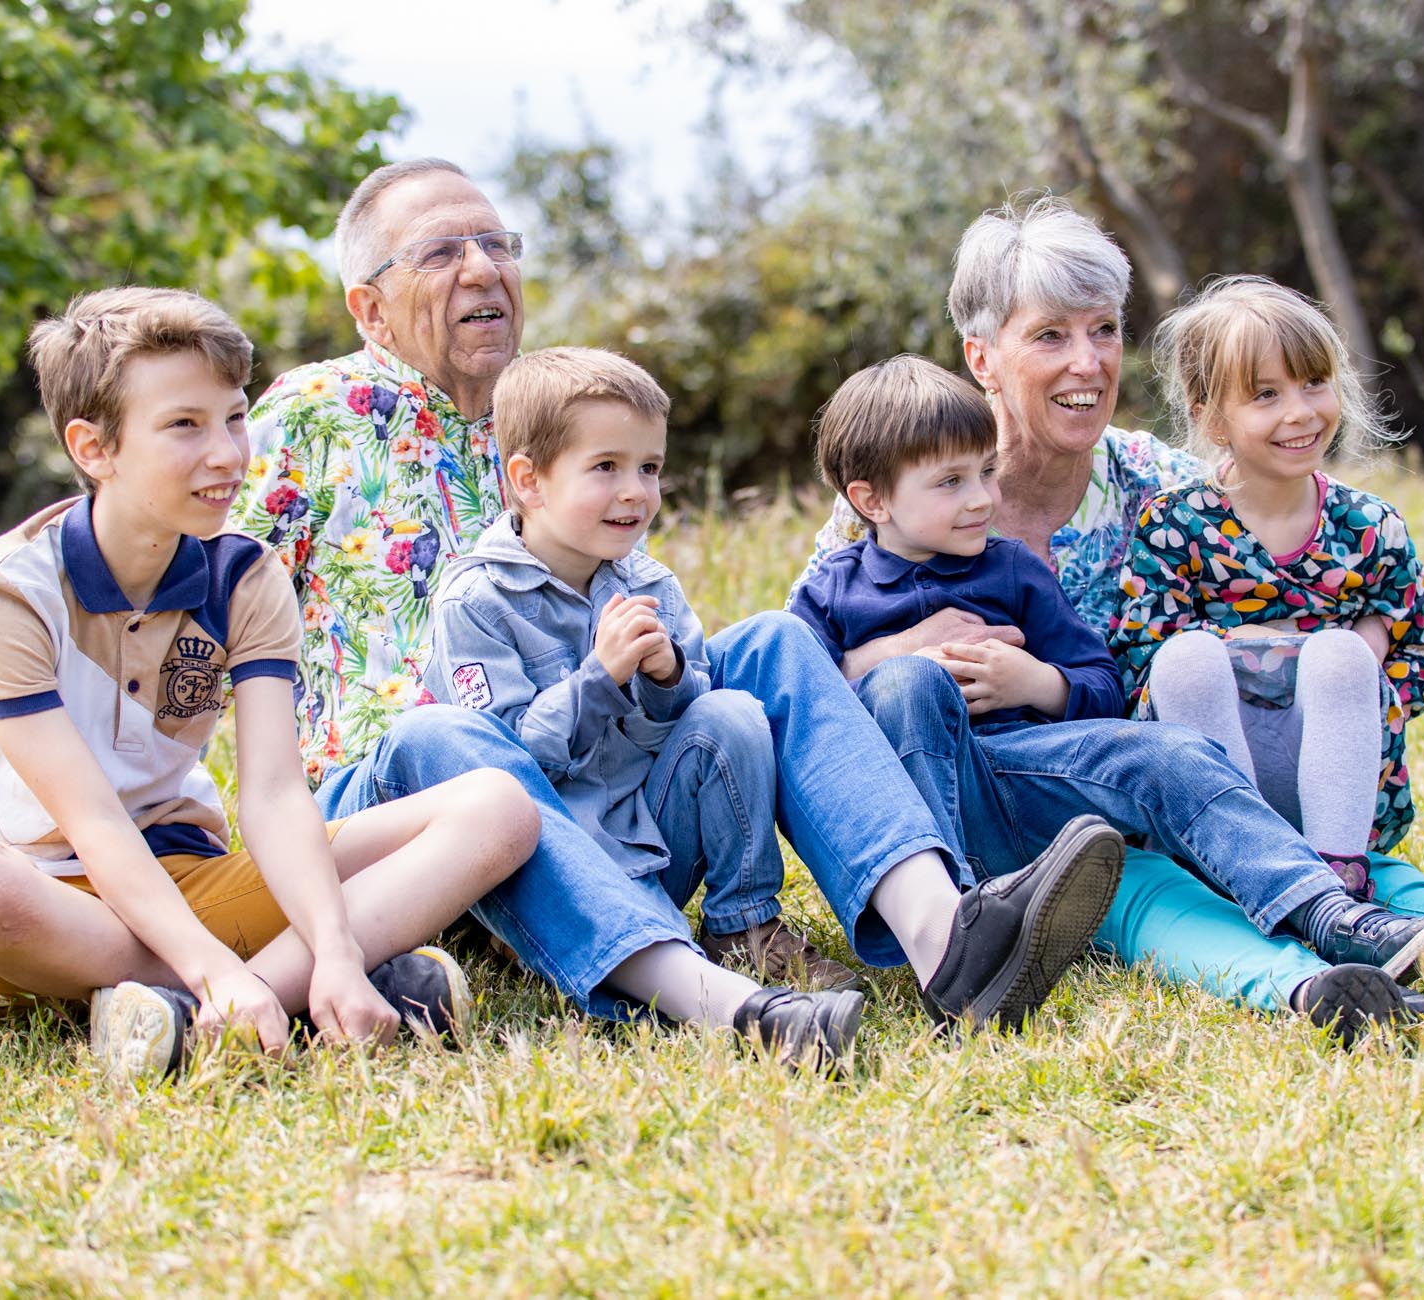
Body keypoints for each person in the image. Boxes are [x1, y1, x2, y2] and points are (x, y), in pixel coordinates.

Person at [804, 195, 1424, 1014]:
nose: (1088, 361)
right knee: (1174, 895)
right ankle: (1292, 982)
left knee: (1365, 883)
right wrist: (877, 661)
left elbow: (1298, 508)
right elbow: (801, 701)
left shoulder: (1165, 489)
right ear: (981, 356)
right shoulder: (890, 505)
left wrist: (1364, 632)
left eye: (1104, 329)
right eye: (1050, 335)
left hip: (1181, 805)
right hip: (1023, 835)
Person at [237, 159, 1122, 1036]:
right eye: (439, 252)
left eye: (497, 244)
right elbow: (187, 611)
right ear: (369, 307)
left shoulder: (565, 409)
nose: (483, 268)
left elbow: (654, 653)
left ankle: (947, 934)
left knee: (774, 642)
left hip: (596, 790)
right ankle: (689, 988)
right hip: (408, 807)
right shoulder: (313, 415)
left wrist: (658, 673)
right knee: (443, 731)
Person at [0, 287, 541, 1082]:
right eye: (184, 426)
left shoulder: (244, 575)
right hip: (46, 900)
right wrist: (216, 970)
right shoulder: (11, 593)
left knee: (499, 809)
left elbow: (274, 795)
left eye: (235, 418)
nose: (227, 454)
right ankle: (237, 993)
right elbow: (94, 822)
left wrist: (338, 952)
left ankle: (211, 1008)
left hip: (191, 875)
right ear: (93, 448)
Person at [789, 354, 1424, 1038]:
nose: (982, 500)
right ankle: (961, 933)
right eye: (951, 483)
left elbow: (1104, 685)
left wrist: (1039, 684)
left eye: (986, 472)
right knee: (910, 683)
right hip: (922, 821)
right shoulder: (832, 594)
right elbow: (799, 706)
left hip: (1025, 777)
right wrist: (884, 659)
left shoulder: (1012, 568)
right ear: (871, 500)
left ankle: (1325, 908)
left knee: (1170, 752)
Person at [430, 346, 865, 1065]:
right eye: (606, 468)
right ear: (528, 480)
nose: (635, 491)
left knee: (729, 713)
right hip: (553, 869)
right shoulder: (477, 602)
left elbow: (689, 729)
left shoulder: (648, 584)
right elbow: (499, 763)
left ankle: (744, 927)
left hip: (651, 840)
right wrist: (597, 679)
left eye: (650, 468)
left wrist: (668, 680)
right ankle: (571, 951)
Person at [1114, 276, 1424, 876]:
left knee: (1342, 659)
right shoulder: (1175, 524)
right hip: (1213, 785)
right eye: (1265, 395)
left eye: (1314, 383)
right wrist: (1258, 649)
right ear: (1213, 420)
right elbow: (1141, 664)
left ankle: (1337, 875)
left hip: (1333, 789)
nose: (1300, 412)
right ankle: (1243, 862)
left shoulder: (1370, 527)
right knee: (1188, 660)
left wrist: (1351, 673)